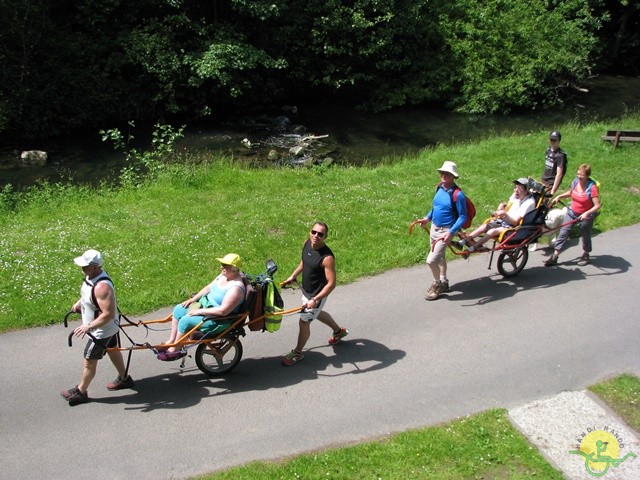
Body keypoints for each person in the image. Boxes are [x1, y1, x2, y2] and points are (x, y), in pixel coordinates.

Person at [61, 249, 134, 406]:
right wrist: (79, 303)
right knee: (113, 351)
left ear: (95, 267)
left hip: (101, 331)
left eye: (85, 266)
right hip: (106, 328)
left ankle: (81, 391)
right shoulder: (91, 277)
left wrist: (88, 326)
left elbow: (107, 314)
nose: (82, 268)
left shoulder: (102, 287)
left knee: (89, 361)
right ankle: (125, 379)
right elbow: (88, 294)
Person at [280, 222, 348, 366]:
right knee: (316, 314)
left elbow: (331, 284)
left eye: (320, 234)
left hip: (316, 294)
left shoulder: (327, 258)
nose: (316, 236)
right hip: (306, 290)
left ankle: (297, 352)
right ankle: (338, 331)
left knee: (304, 322)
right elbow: (304, 262)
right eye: (314, 232)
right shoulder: (307, 243)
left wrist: (316, 299)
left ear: (325, 237)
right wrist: (293, 276)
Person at [161, 253, 246, 357]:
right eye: (221, 264)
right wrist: (193, 299)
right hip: (206, 307)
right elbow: (208, 288)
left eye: (225, 265)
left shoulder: (236, 288)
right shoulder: (223, 276)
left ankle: (175, 349)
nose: (221, 267)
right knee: (179, 309)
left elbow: (223, 311)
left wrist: (199, 311)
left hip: (217, 319)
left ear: (234, 268)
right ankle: (172, 340)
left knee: (185, 321)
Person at [416, 161, 468, 301]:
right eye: (442, 173)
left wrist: (451, 232)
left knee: (431, 261)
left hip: (445, 231)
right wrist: (427, 218)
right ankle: (444, 281)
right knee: (441, 257)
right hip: (434, 228)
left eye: (447, 174)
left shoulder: (458, 195)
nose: (443, 176)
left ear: (453, 177)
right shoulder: (439, 188)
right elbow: (436, 208)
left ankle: (437, 284)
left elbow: (463, 216)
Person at [453, 178, 536, 252]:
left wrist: (504, 214)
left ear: (526, 191)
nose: (516, 190)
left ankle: (473, 248)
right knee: (484, 226)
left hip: (513, 227)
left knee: (492, 231)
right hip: (503, 221)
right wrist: (503, 205)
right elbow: (509, 205)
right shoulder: (516, 196)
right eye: (515, 187)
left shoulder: (529, 203)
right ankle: (463, 242)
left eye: (519, 188)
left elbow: (515, 222)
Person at [544, 164, 601, 267]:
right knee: (563, 232)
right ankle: (555, 256)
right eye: (578, 173)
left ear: (587, 176)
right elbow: (571, 193)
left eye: (582, 175)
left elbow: (597, 205)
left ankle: (586, 254)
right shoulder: (575, 182)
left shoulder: (591, 187)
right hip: (572, 212)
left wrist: (587, 213)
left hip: (586, 214)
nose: (579, 176)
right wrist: (560, 196)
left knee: (585, 233)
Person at [541, 130, 568, 195]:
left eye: (555, 140)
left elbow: (559, 174)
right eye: (551, 139)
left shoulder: (560, 155)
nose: (552, 142)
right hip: (544, 179)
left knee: (544, 201)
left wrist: (553, 190)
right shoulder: (548, 150)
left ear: (559, 141)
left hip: (551, 183)